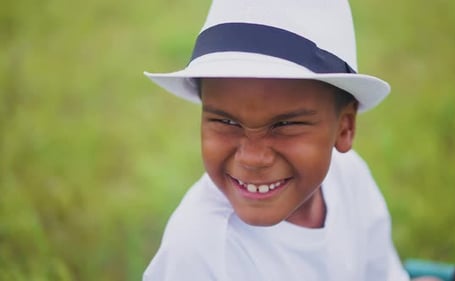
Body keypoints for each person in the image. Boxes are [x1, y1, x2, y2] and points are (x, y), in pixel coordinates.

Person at [142, 0, 425, 280]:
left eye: (285, 124)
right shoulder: (196, 253)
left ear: (344, 128)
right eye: (226, 122)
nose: (252, 158)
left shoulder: (351, 179)